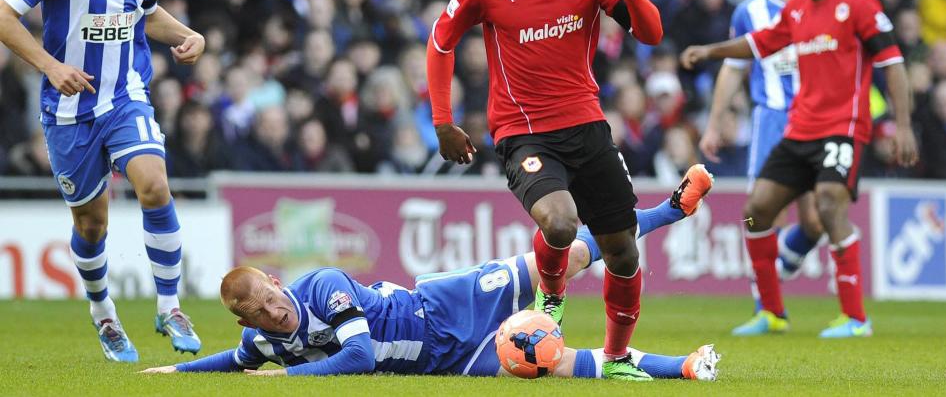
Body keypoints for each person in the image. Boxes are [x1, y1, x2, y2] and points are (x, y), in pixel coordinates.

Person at [424, 0, 712, 378]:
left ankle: (618, 358)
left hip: (587, 126)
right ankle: (551, 296)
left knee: (622, 251)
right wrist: (442, 120)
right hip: (523, 132)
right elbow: (440, 42)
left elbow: (651, 33)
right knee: (559, 222)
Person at [140, 188, 721, 381]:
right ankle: (684, 368)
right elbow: (235, 363)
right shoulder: (263, 342)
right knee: (557, 363)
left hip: (444, 303)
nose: (275, 312)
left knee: (564, 260)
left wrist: (285, 378)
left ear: (274, 279)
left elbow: (361, 355)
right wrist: (175, 372)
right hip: (448, 362)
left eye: (271, 296)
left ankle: (669, 208)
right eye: (262, 315)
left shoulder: (320, 286)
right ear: (249, 323)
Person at [0, 0, 205, 361]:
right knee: (92, 226)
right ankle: (103, 313)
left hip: (125, 96)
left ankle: (170, 305)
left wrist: (186, 35)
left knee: (155, 185)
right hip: (69, 111)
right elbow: (5, 14)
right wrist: (50, 67)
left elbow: (146, 13)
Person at [681, 0, 918, 338]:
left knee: (827, 205)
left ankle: (855, 318)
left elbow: (892, 65)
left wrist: (903, 124)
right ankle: (771, 312)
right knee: (756, 210)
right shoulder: (797, 10)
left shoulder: (859, 4)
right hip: (798, 129)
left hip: (843, 128)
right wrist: (709, 51)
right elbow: (757, 45)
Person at [697, 0, 825, 323]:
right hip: (771, 120)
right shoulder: (749, 10)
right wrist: (715, 122)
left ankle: (779, 267)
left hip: (818, 119)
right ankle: (767, 306)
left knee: (817, 221)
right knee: (761, 214)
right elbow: (733, 69)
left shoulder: (821, 1)